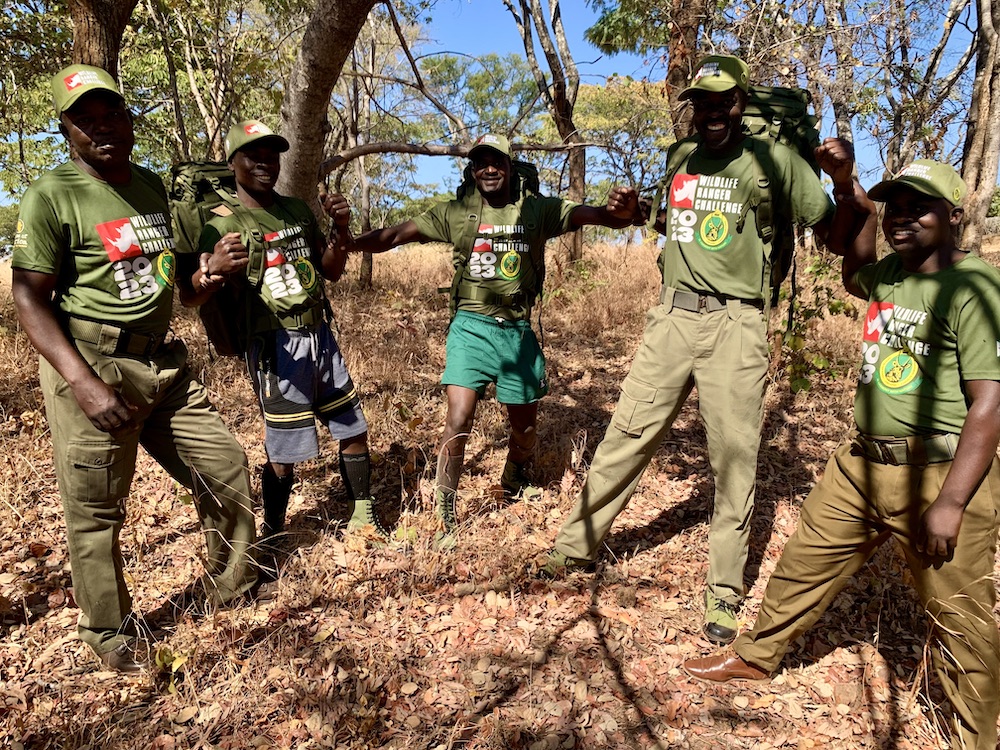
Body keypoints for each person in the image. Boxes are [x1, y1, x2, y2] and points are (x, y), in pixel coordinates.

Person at [540, 55, 875, 646]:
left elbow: (833, 236)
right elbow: (672, 224)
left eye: (725, 101)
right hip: (671, 317)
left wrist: (846, 183)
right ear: (692, 108)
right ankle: (574, 548)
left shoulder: (776, 162)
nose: (714, 111)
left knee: (733, 459)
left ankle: (722, 592)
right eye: (704, 103)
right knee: (627, 434)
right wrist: (632, 214)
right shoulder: (681, 157)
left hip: (736, 324)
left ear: (742, 102)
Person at [683, 159, 1000, 750]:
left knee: (962, 619)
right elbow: (854, 269)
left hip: (937, 473)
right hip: (859, 465)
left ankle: (974, 737)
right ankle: (756, 656)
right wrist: (859, 205)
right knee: (803, 563)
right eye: (895, 207)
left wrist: (953, 502)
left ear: (954, 216)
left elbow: (990, 404)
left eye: (919, 208)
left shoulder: (975, 289)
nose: (903, 217)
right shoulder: (892, 274)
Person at [11, 65, 263, 673]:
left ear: (129, 119)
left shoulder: (151, 187)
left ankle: (231, 587)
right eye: (85, 120)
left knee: (224, 465)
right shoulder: (52, 195)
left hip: (160, 360)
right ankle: (108, 633)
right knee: (96, 510)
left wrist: (208, 274)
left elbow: (179, 285)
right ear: (66, 129)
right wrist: (82, 383)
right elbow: (28, 298)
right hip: (93, 362)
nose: (102, 128)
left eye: (112, 115)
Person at [351, 133, 639, 546]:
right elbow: (397, 235)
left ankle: (515, 472)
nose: (488, 169)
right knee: (458, 419)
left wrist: (620, 214)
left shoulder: (536, 209)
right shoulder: (457, 213)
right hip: (470, 326)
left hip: (516, 332)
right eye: (480, 163)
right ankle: (445, 510)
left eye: (496, 162)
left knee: (525, 427)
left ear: (509, 166)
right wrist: (348, 243)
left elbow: (596, 217)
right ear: (472, 170)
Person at [181, 120, 388, 548]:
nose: (265, 164)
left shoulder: (295, 210)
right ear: (232, 162)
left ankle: (362, 517)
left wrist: (340, 230)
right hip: (274, 347)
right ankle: (274, 530)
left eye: (271, 156)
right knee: (285, 449)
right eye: (253, 156)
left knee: (352, 425)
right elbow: (192, 295)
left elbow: (330, 270)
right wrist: (211, 271)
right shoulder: (220, 226)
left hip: (320, 335)